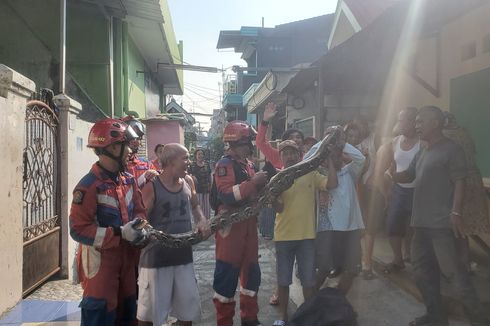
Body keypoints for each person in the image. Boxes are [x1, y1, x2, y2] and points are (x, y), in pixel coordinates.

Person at [392, 106, 489, 326]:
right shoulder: (423, 149)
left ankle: (479, 320)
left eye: (420, 121)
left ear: (435, 123)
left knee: (455, 275)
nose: (416, 125)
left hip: (442, 226)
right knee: (422, 274)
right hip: (421, 224)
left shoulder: (452, 149)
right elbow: (409, 175)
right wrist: (390, 174)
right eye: (415, 122)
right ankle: (436, 316)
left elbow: (460, 181)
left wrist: (455, 212)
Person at [69, 118, 149, 325]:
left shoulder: (128, 180)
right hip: (101, 266)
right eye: (126, 146)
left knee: (129, 314)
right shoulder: (88, 186)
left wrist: (141, 229)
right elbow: (78, 230)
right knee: (100, 316)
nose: (131, 152)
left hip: (128, 262)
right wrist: (119, 233)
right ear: (112, 147)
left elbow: (140, 211)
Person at [137, 144, 210, 326]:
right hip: (156, 261)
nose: (189, 162)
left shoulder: (188, 182)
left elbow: (195, 205)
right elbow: (140, 221)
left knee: (187, 315)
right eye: (184, 158)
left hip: (183, 259)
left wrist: (201, 220)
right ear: (170, 161)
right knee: (149, 317)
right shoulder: (151, 187)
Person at [272, 140, 338, 326]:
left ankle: (310, 317)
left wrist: (331, 161)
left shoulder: (310, 173)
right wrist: (275, 195)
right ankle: (282, 317)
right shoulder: (276, 179)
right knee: (283, 281)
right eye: (285, 153)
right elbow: (278, 208)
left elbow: (331, 184)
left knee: (308, 281)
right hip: (284, 237)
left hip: (307, 237)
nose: (290, 156)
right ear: (281, 157)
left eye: (293, 152)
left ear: (300, 154)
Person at [212, 121, 268, 326]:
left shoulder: (249, 165)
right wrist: (253, 183)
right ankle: (224, 321)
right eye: (247, 142)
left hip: (249, 227)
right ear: (236, 142)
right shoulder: (224, 165)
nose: (250, 146)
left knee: (252, 275)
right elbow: (226, 194)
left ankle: (249, 318)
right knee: (226, 276)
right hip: (231, 228)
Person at [309, 129, 365, 295]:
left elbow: (361, 158)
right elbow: (306, 159)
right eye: (329, 153)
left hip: (351, 229)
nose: (333, 156)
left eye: (337, 153)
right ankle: (310, 302)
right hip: (328, 229)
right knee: (324, 269)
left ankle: (337, 300)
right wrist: (326, 140)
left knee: (351, 269)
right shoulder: (317, 175)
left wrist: (340, 141)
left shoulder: (350, 172)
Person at [443, 112, 490, 271]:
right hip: (473, 181)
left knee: (457, 228)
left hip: (457, 184)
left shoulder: (445, 136)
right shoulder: (464, 133)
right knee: (467, 227)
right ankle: (465, 264)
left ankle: (461, 265)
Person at [375, 107, 420, 273]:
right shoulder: (395, 142)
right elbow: (386, 168)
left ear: (413, 121)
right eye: (398, 120)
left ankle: (409, 254)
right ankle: (398, 259)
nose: (399, 124)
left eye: (402, 120)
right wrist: (386, 191)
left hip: (418, 191)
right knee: (393, 224)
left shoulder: (423, 143)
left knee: (412, 226)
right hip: (400, 190)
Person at [345, 119, 383, 280]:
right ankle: (352, 262)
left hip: (366, 191)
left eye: (357, 134)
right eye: (350, 135)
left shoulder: (373, 141)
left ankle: (366, 263)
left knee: (368, 226)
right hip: (348, 192)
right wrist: (364, 160)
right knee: (352, 229)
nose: (354, 137)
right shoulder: (344, 150)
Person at [257, 102, 305, 169]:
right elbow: (260, 143)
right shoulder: (277, 156)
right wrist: (265, 120)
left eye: (298, 137)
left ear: (303, 142)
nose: (295, 139)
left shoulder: (310, 157)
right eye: (291, 137)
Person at [122, 116, 159, 189]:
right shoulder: (111, 167)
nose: (134, 140)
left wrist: (157, 177)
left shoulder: (147, 165)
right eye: (130, 137)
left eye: (138, 137)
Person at [190, 148, 212, 219]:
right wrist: (192, 177)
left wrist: (211, 187)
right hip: (196, 191)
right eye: (198, 154)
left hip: (206, 190)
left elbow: (210, 176)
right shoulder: (192, 165)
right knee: (198, 209)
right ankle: (199, 226)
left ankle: (207, 225)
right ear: (195, 156)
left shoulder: (207, 164)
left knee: (207, 210)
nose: (200, 155)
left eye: (202, 154)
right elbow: (188, 176)